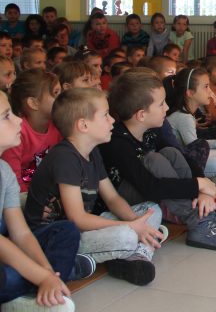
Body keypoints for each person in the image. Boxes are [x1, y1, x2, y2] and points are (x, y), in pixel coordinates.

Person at [24, 88, 164, 286]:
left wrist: (136, 222)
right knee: (125, 235)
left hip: (84, 229)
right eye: (105, 115)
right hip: (56, 240)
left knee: (152, 209)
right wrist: (130, 227)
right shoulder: (65, 158)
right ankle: (134, 249)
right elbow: (77, 218)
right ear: (83, 125)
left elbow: (112, 198)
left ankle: (136, 254)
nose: (112, 120)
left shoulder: (92, 152)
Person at [98, 69, 216, 251]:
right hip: (124, 201)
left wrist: (202, 189)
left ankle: (203, 211)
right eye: (161, 104)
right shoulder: (117, 142)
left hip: (152, 189)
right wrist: (196, 184)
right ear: (141, 114)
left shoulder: (152, 129)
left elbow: (183, 157)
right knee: (154, 159)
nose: (167, 108)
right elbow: (149, 186)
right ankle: (197, 220)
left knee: (171, 153)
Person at [0, 90, 88, 312]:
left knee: (66, 231)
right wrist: (40, 275)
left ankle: (40, 292)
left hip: (8, 252)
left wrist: (47, 272)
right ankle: (39, 288)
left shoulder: (4, 172)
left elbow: (21, 233)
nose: (18, 120)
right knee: (6, 277)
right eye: (6, 116)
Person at [165, 67, 216, 189]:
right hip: (178, 165)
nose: (210, 92)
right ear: (190, 93)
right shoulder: (183, 117)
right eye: (206, 87)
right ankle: (210, 178)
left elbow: (197, 145)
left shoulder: (187, 115)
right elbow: (196, 153)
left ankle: (212, 177)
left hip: (187, 159)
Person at [0, 70, 62, 196]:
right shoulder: (15, 134)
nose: (62, 98)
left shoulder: (58, 125)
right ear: (34, 103)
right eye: (56, 93)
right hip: (24, 197)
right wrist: (33, 202)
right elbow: (14, 180)